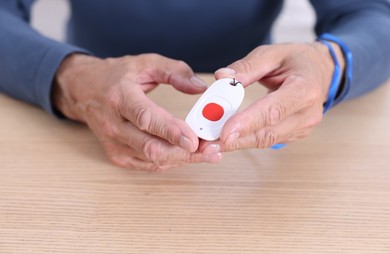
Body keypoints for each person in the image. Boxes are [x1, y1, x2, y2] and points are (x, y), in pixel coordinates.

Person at [0, 0, 389, 171]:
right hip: (88, 137)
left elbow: (373, 16)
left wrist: (328, 64)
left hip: (245, 144)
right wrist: (70, 78)